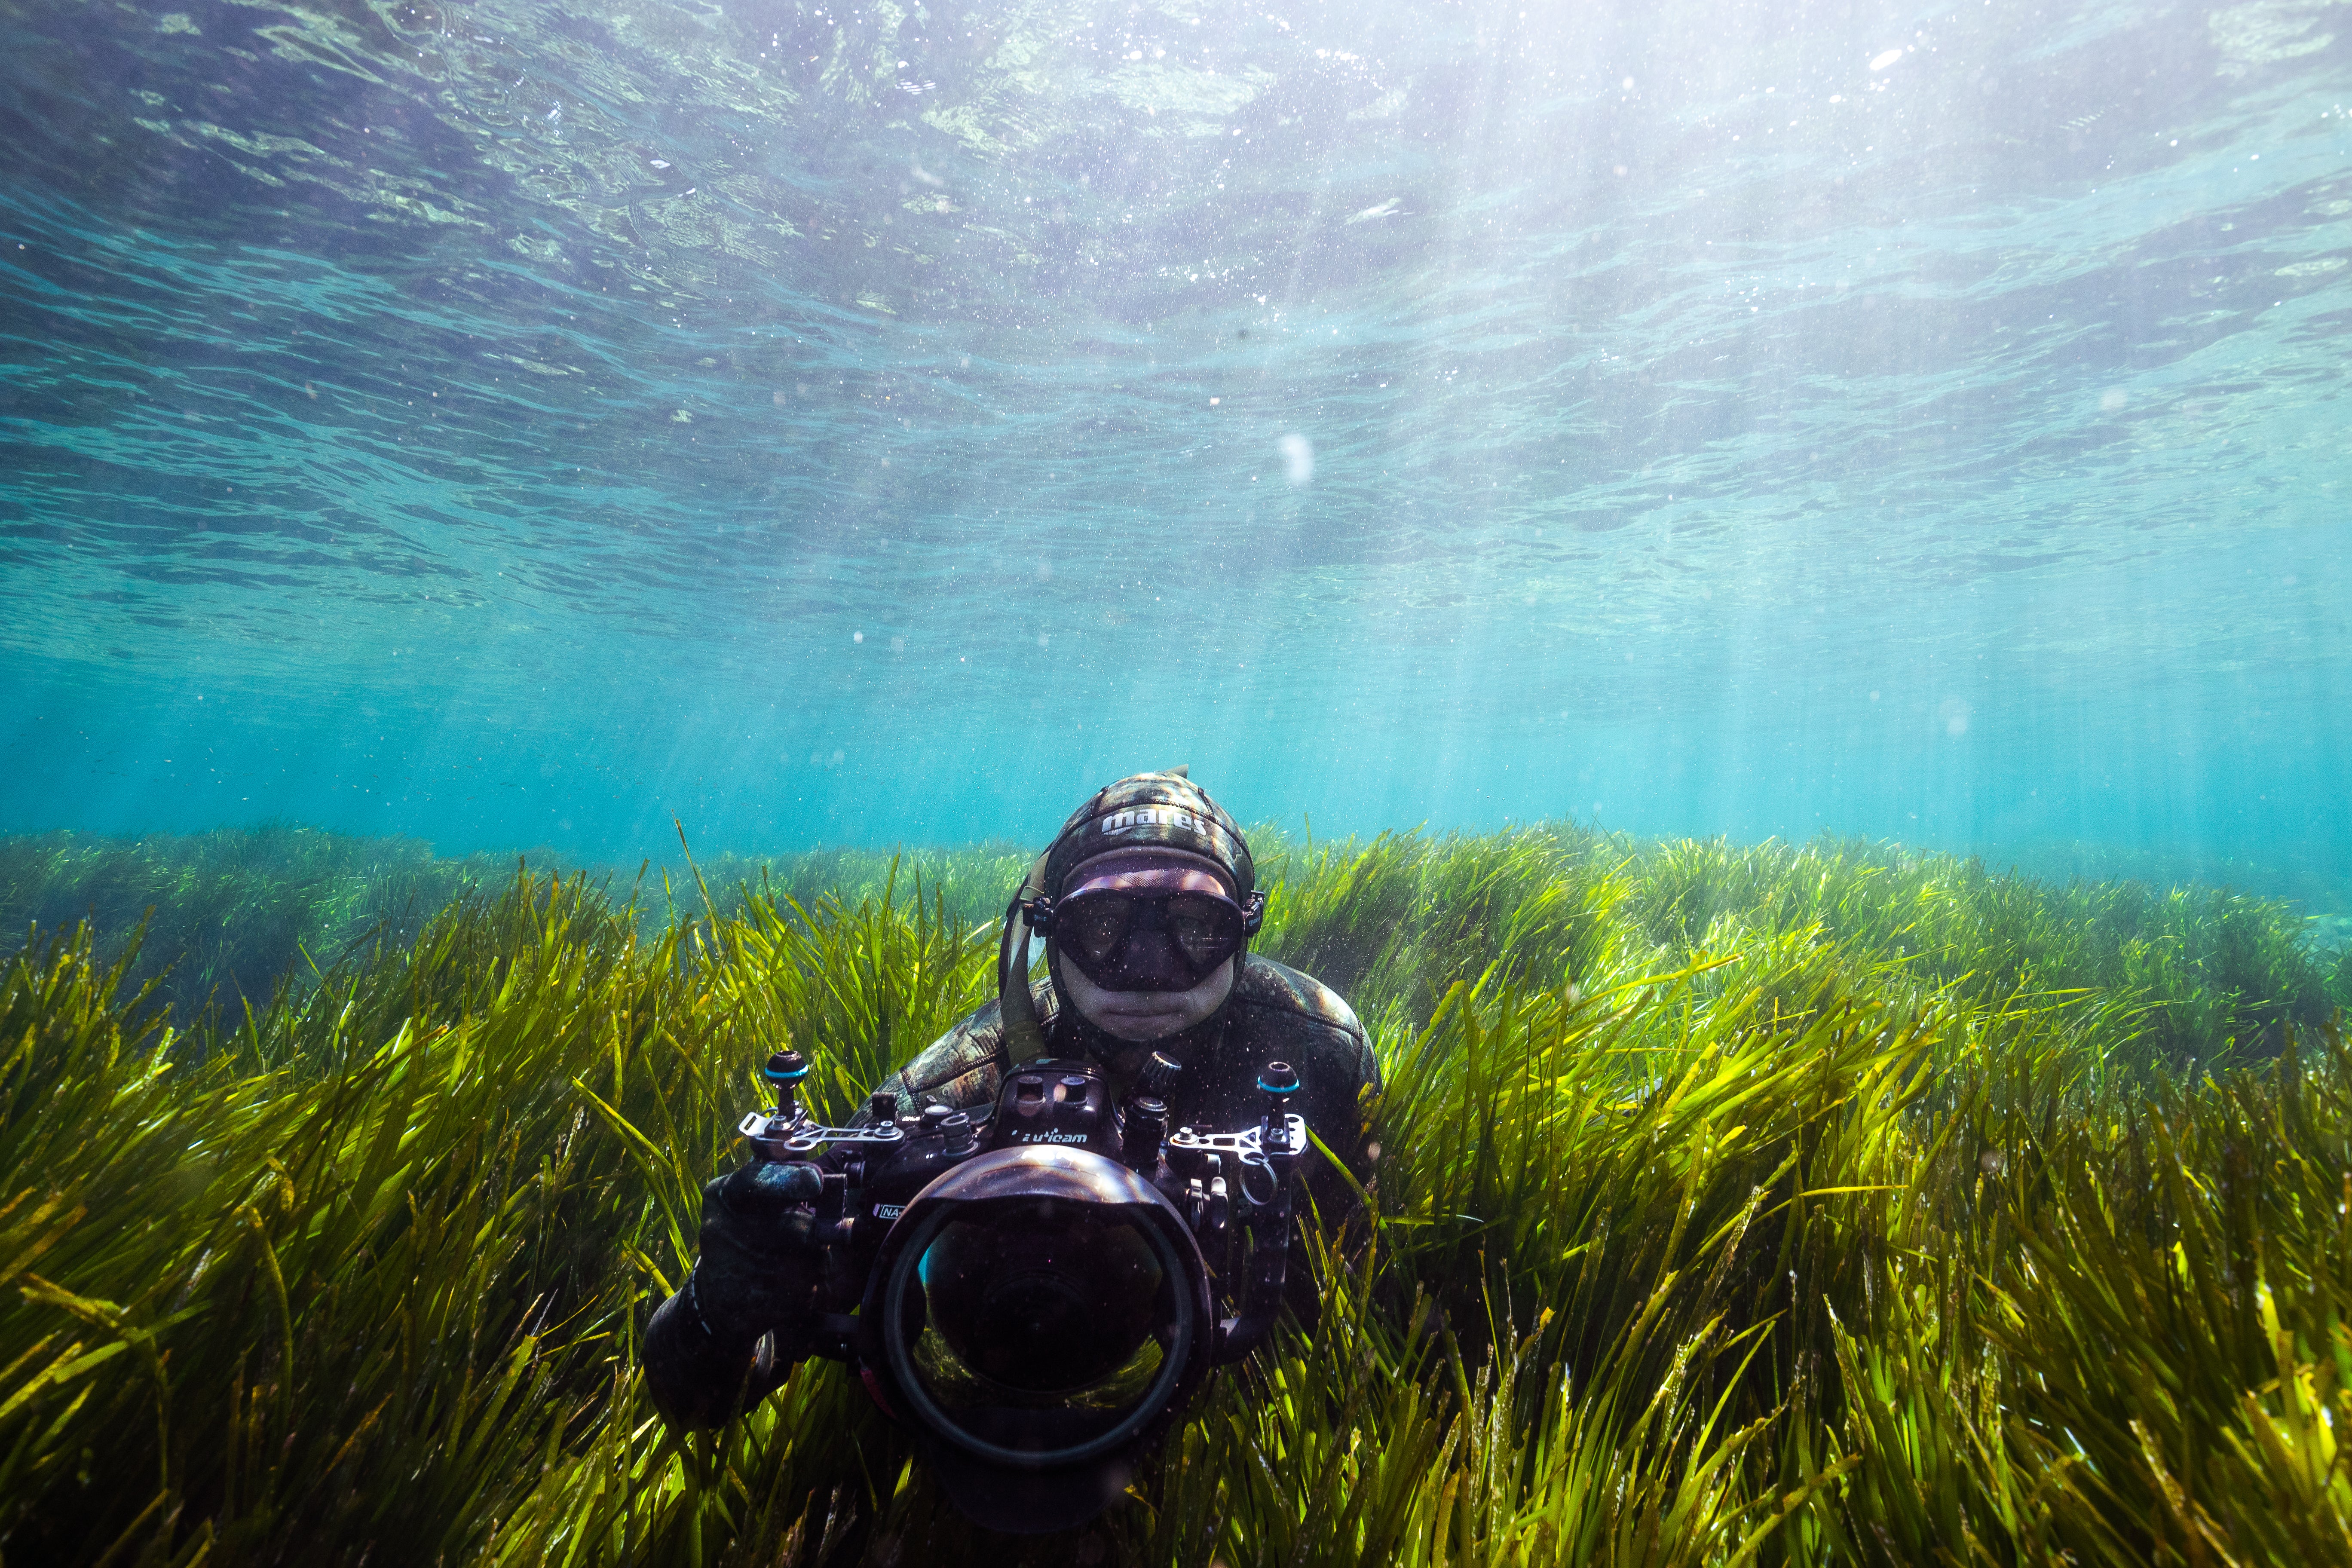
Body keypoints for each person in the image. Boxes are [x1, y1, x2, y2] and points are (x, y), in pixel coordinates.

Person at [642, 769, 1379, 1428]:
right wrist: (718, 1309)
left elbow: (1355, 1275)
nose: (1148, 970)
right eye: (1103, 925)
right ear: (1048, 930)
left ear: (1243, 929)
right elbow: (703, 1399)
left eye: (1194, 927)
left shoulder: (1323, 1054)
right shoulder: (951, 1089)